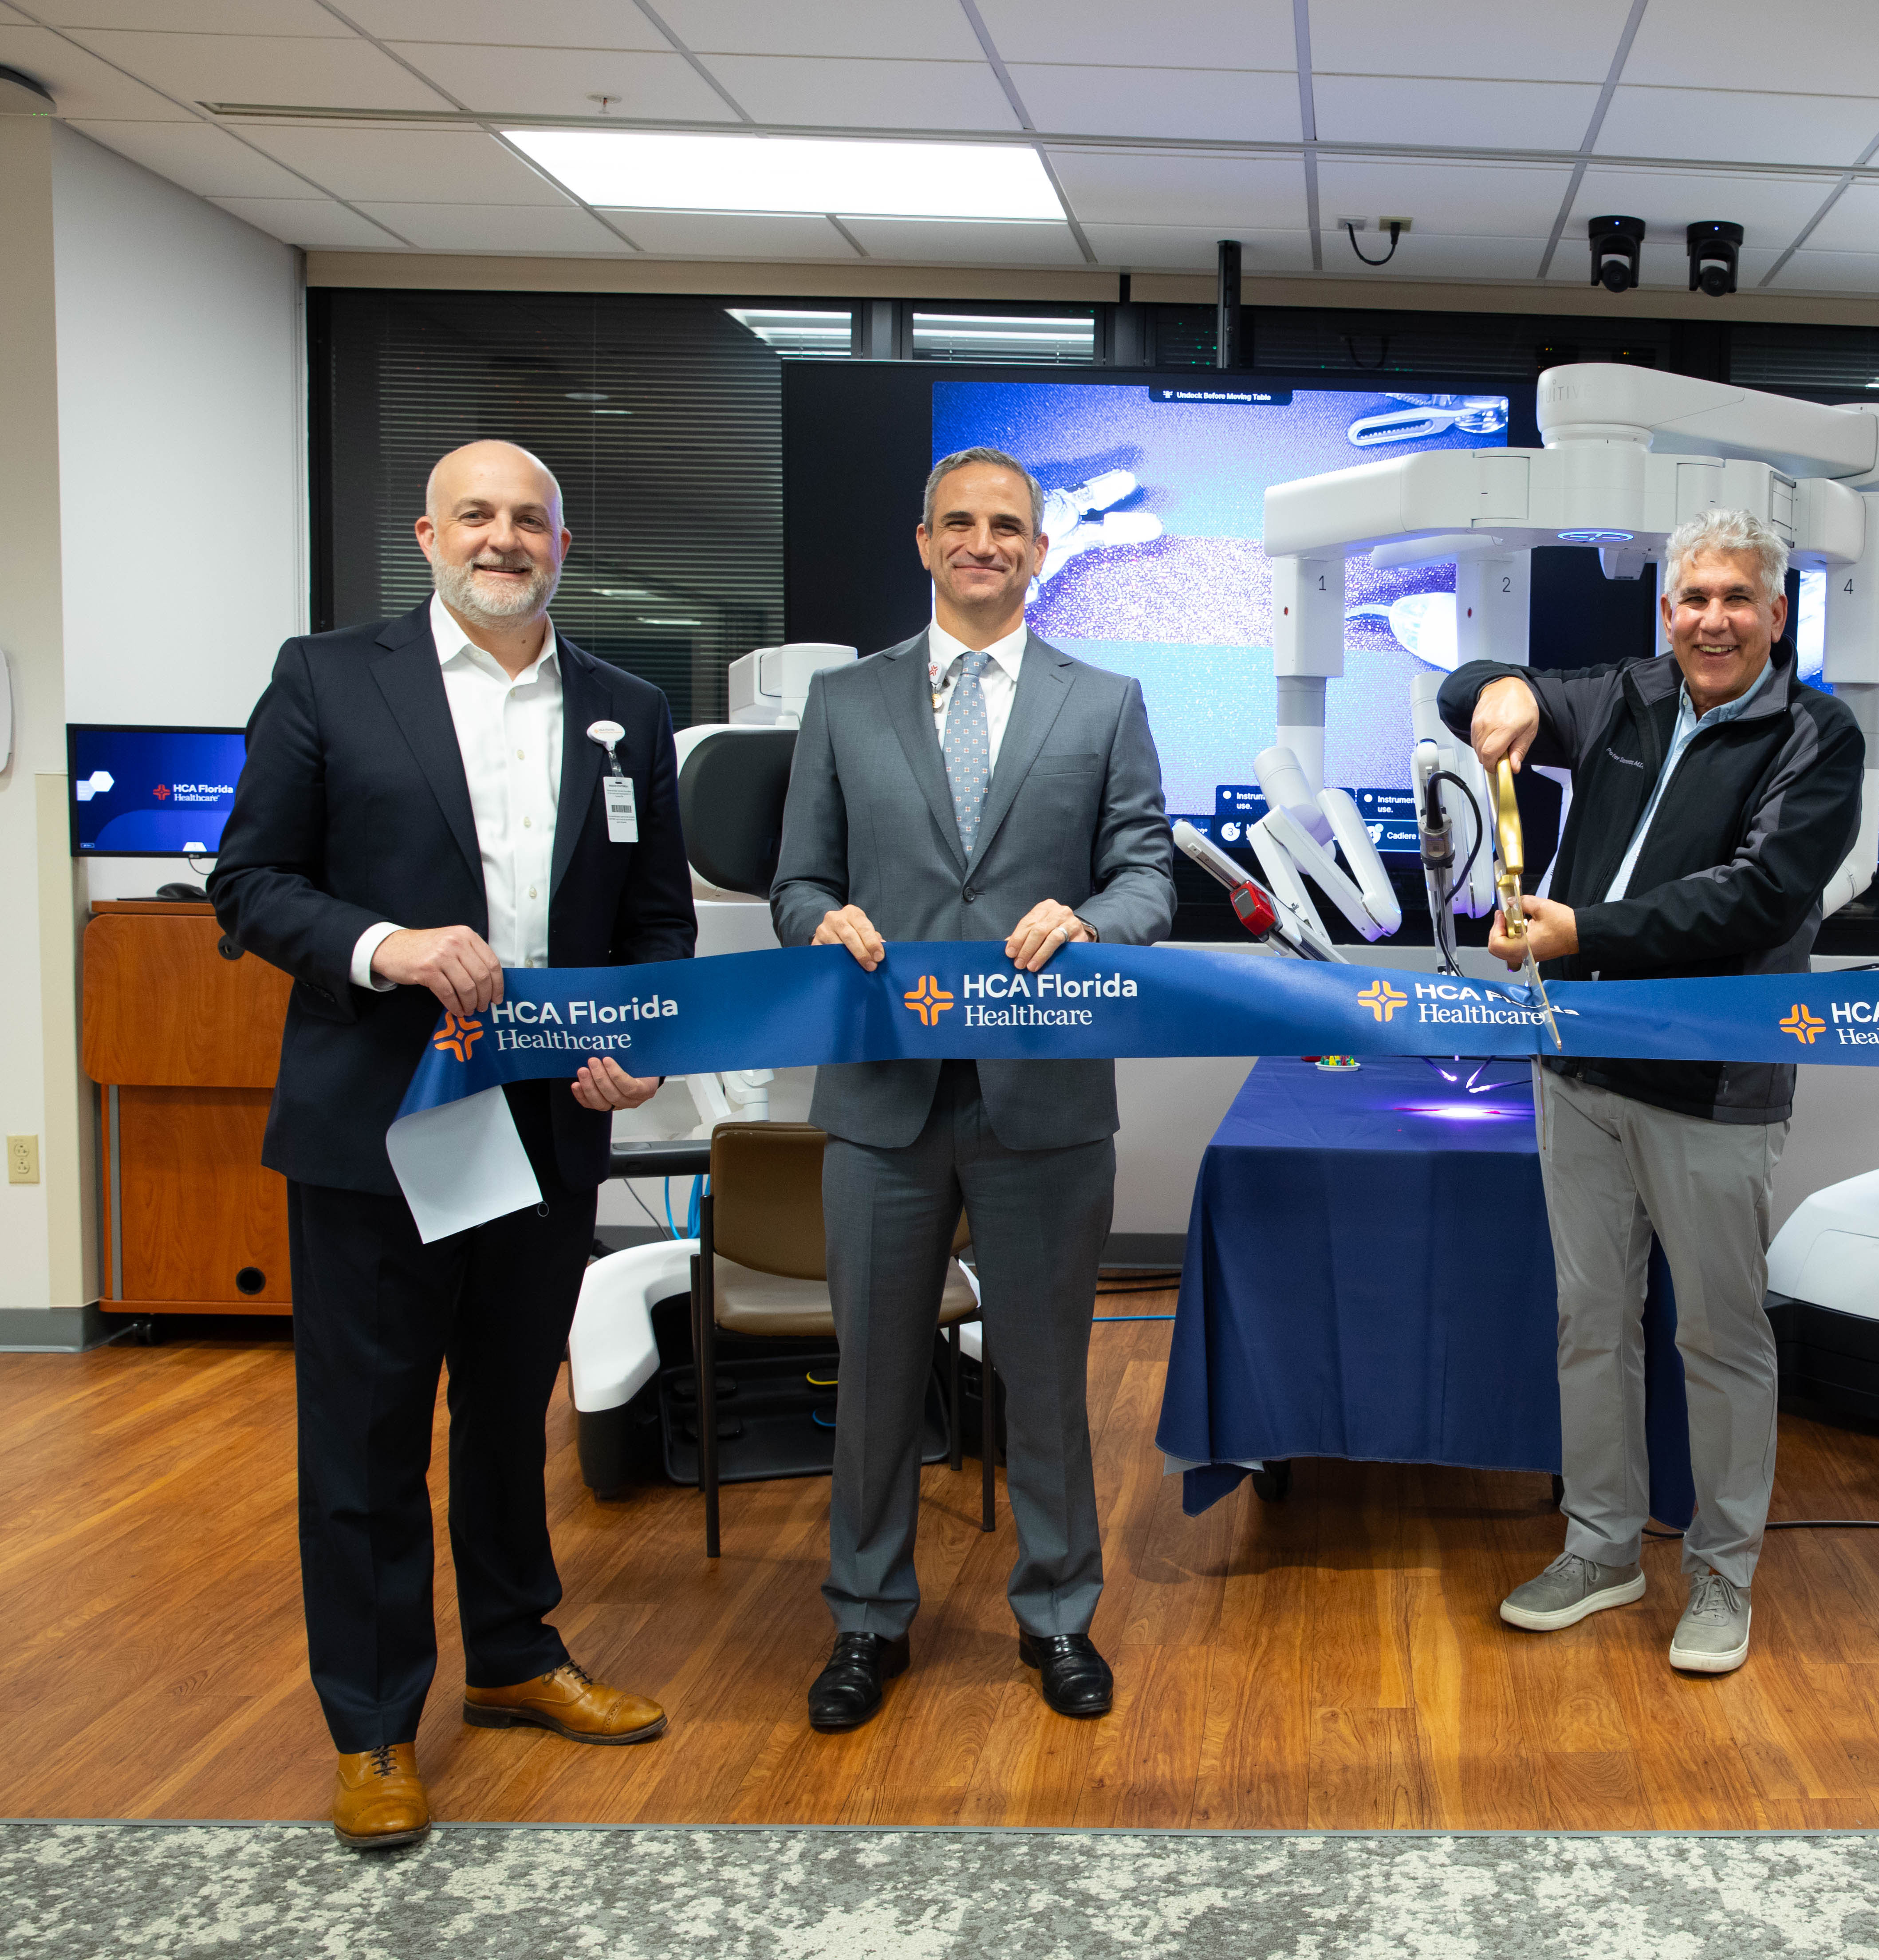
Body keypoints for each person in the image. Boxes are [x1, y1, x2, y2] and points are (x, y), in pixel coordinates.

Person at [213, 441, 694, 1850]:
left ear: (562, 540)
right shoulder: (326, 680)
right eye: (475, 515)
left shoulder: (624, 709)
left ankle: (513, 1656)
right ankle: (370, 1725)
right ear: (425, 532)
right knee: (365, 1429)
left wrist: (638, 1035)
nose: (503, 538)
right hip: (380, 1122)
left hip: (547, 1123)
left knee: (506, 1407)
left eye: (527, 518)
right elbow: (250, 885)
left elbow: (654, 921)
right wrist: (385, 945)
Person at [771, 445, 1171, 1731]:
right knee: (876, 1376)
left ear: (1041, 550)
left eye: (1008, 525)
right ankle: (866, 1621)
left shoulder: (1104, 703)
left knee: (1046, 1376)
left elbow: (1151, 878)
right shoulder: (843, 701)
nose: (983, 542)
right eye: (961, 522)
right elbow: (795, 885)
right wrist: (822, 923)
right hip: (883, 1093)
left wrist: (1094, 917)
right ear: (923, 539)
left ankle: (1058, 1616)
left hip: (1044, 1092)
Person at [1441, 507, 1864, 1676]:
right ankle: (1600, 1545)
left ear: (1775, 616)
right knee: (1591, 1323)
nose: (1711, 619)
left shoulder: (1814, 736)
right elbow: (1483, 689)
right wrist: (1498, 690)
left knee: (1719, 1336)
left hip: (1708, 1081)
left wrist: (1582, 931)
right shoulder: (1628, 694)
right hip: (1574, 1065)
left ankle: (1722, 1574)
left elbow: (1759, 895)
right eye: (1691, 598)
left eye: (1736, 599)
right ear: (1664, 610)